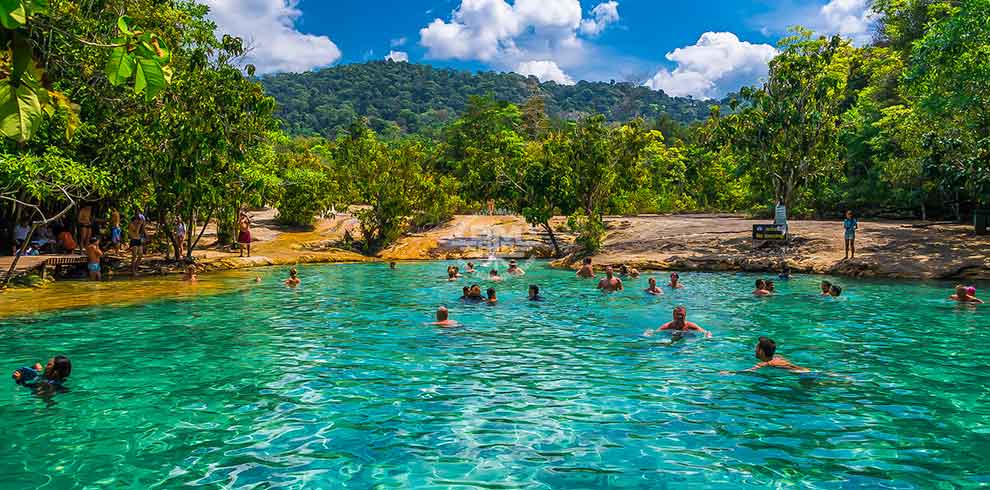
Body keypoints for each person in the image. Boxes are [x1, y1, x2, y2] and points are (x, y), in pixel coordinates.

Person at [724, 337, 810, 374]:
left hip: (804, 374)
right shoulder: (778, 357)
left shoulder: (766, 363)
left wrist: (730, 372)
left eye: (756, 348)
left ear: (761, 351)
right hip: (806, 371)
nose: (755, 350)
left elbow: (749, 371)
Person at [644, 306, 712, 338]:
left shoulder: (690, 325)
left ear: (685, 315)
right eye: (677, 315)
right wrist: (648, 333)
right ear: (673, 315)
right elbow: (655, 331)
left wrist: (708, 335)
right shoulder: (668, 326)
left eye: (681, 315)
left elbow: (705, 332)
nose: (679, 317)